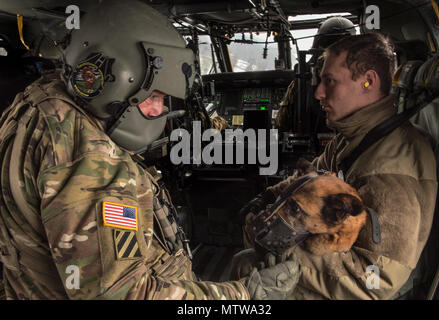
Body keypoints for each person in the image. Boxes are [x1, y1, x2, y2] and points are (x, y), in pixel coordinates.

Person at [0, 0, 299, 300]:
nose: (159, 110)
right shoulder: (95, 163)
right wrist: (246, 296)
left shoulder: (40, 101)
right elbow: (125, 295)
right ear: (112, 82)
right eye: (154, 95)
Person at [239, 33, 438, 299]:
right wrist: (268, 196)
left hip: (367, 288)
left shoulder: (391, 168)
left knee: (248, 267)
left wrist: (282, 251)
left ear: (368, 80)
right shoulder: (355, 136)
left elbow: (377, 280)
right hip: (340, 261)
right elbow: (311, 181)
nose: (318, 92)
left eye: (329, 81)